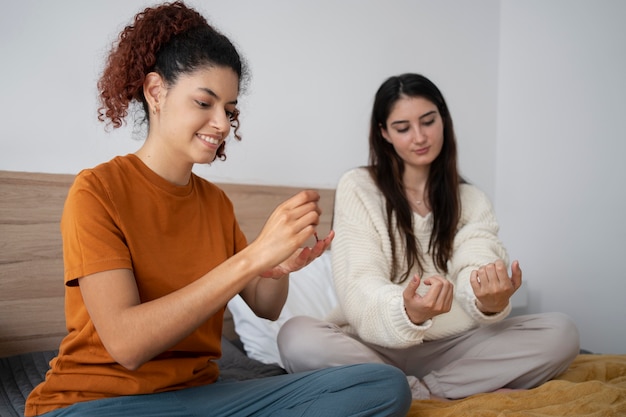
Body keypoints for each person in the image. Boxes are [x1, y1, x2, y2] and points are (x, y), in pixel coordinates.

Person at [24, 3, 412, 416]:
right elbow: (127, 345)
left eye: (229, 110)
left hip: (200, 399)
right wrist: (251, 257)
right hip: (101, 403)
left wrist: (277, 265)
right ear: (156, 92)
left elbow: (266, 306)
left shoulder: (215, 203)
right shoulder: (97, 191)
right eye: (205, 103)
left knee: (383, 385)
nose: (223, 124)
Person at [277, 73, 580, 401]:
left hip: (453, 348)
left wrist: (487, 299)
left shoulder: (472, 200)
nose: (419, 137)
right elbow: (359, 284)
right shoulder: (359, 187)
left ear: (443, 120)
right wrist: (407, 311)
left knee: (561, 332)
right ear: (384, 133)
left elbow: (475, 263)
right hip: (374, 348)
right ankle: (425, 388)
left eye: (428, 121)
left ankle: (420, 392)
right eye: (403, 128)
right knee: (296, 336)